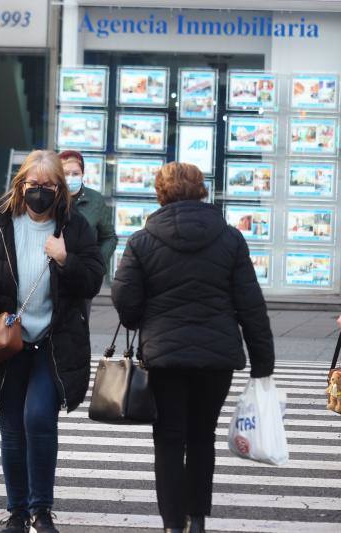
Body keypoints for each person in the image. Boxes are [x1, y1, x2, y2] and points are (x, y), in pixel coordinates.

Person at [111, 162, 275, 533]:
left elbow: (124, 298)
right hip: (216, 358)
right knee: (202, 436)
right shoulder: (230, 239)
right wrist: (263, 361)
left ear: (161, 192)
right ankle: (197, 518)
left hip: (165, 358)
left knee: (168, 439)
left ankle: (173, 524)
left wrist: (141, 319)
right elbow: (250, 303)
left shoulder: (142, 241)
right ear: (201, 191)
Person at [0, 150, 105, 533]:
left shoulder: (75, 229)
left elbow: (91, 281)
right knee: (11, 428)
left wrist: (66, 259)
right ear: (21, 185)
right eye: (33, 185)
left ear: (61, 190)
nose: (40, 192)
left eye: (48, 186)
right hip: (9, 343)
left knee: (38, 418)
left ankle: (41, 509)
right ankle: (17, 511)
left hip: (54, 343)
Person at [58, 149, 117, 275]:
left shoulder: (95, 200)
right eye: (66, 173)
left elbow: (109, 237)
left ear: (83, 173)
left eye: (75, 173)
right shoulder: (51, 198)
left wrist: (97, 263)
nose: (70, 178)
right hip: (54, 273)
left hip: (83, 276)